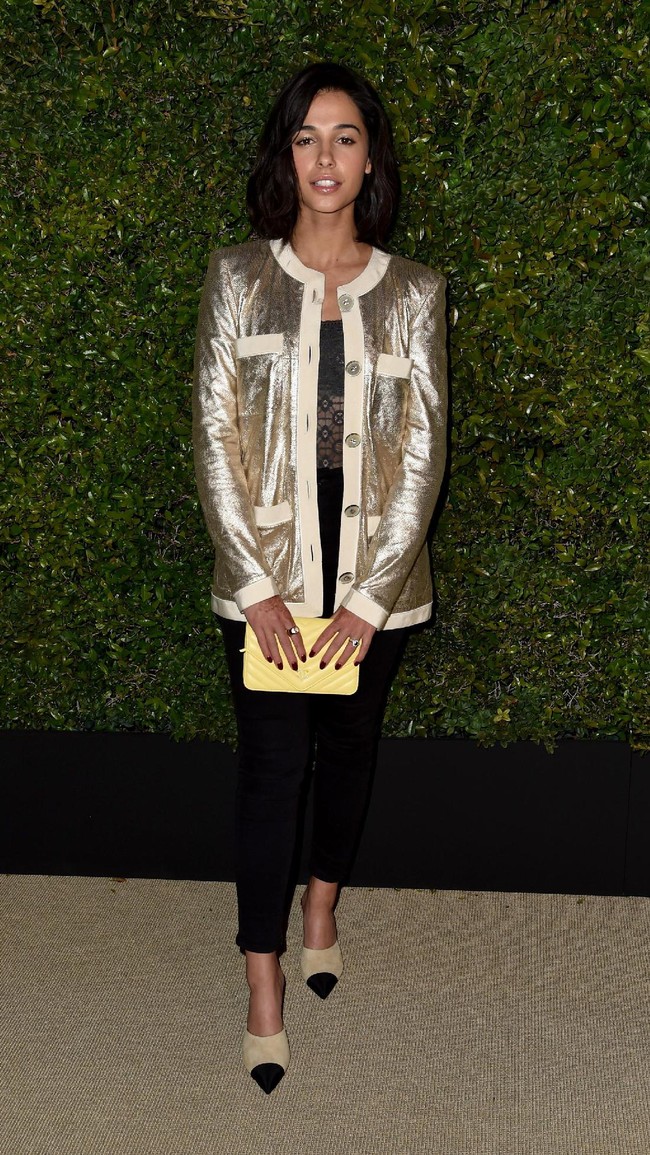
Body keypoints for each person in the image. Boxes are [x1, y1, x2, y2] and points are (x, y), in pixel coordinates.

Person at [193, 61, 448, 1093]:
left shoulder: (415, 292)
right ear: (283, 155)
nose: (325, 158)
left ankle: (321, 908)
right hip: (264, 580)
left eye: (344, 138)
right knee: (266, 777)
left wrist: (367, 600)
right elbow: (214, 433)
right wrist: (254, 584)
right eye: (306, 138)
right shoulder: (235, 278)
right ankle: (263, 982)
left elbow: (423, 451)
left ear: (369, 156)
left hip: (374, 584)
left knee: (346, 755)